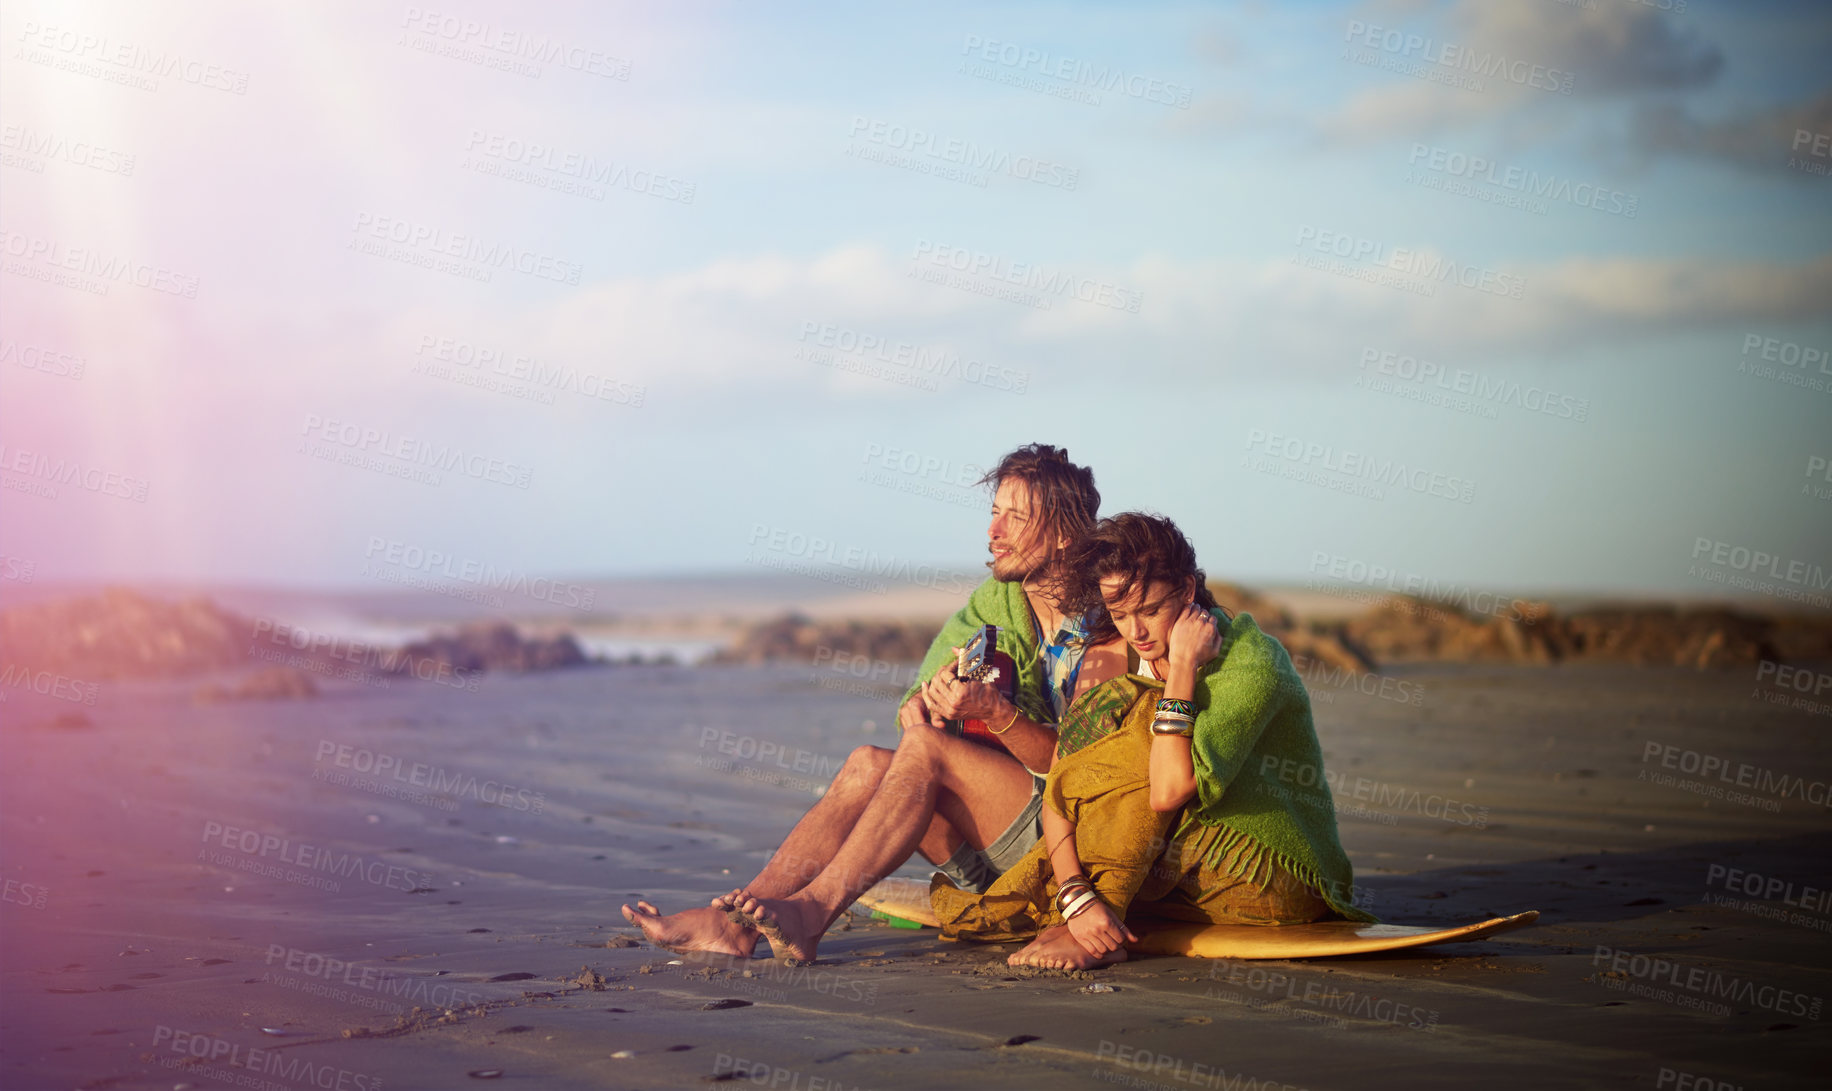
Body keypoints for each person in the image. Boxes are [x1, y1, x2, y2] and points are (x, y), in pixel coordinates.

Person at [623, 445, 1127, 960]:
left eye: (1015, 518)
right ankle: (739, 924)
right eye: (994, 512)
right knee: (868, 762)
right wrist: (926, 700)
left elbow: (1082, 773)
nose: (993, 531)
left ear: (1065, 533)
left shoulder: (1107, 624)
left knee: (927, 750)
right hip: (1000, 837)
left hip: (1064, 852)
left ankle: (812, 913)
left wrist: (994, 714)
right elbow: (925, 681)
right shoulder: (1002, 601)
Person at [929, 512, 1375, 970]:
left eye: (1150, 610)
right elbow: (1063, 787)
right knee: (1107, 730)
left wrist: (1181, 670)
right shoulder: (1120, 657)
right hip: (1182, 879)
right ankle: (1088, 916)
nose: (1136, 632)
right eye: (1119, 615)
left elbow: (1166, 790)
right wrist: (1076, 895)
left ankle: (1099, 922)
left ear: (1185, 590)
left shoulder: (1252, 659)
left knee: (1145, 723)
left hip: (1267, 879)